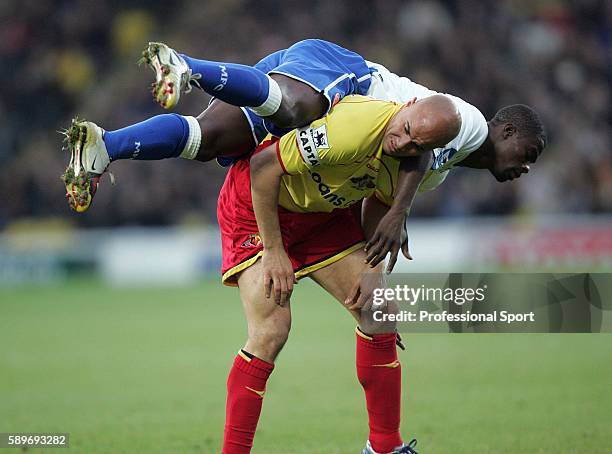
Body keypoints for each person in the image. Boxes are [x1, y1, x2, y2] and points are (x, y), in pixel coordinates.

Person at [215, 92, 545, 454]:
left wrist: (374, 272)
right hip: (258, 206)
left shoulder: (426, 163)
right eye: (406, 134)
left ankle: (385, 447)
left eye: (416, 147)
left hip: (323, 215)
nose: (404, 145)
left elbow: (380, 201)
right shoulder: (357, 124)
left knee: (380, 310)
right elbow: (264, 166)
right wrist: (274, 250)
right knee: (271, 330)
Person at [60, 39, 480, 271]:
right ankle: (187, 66)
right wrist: (399, 211)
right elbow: (422, 152)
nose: (407, 144)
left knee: (205, 142)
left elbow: (420, 151)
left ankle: (104, 146)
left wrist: (395, 212)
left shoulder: (425, 138)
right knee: (291, 110)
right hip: (339, 72)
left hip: (298, 87)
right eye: (524, 153)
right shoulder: (471, 125)